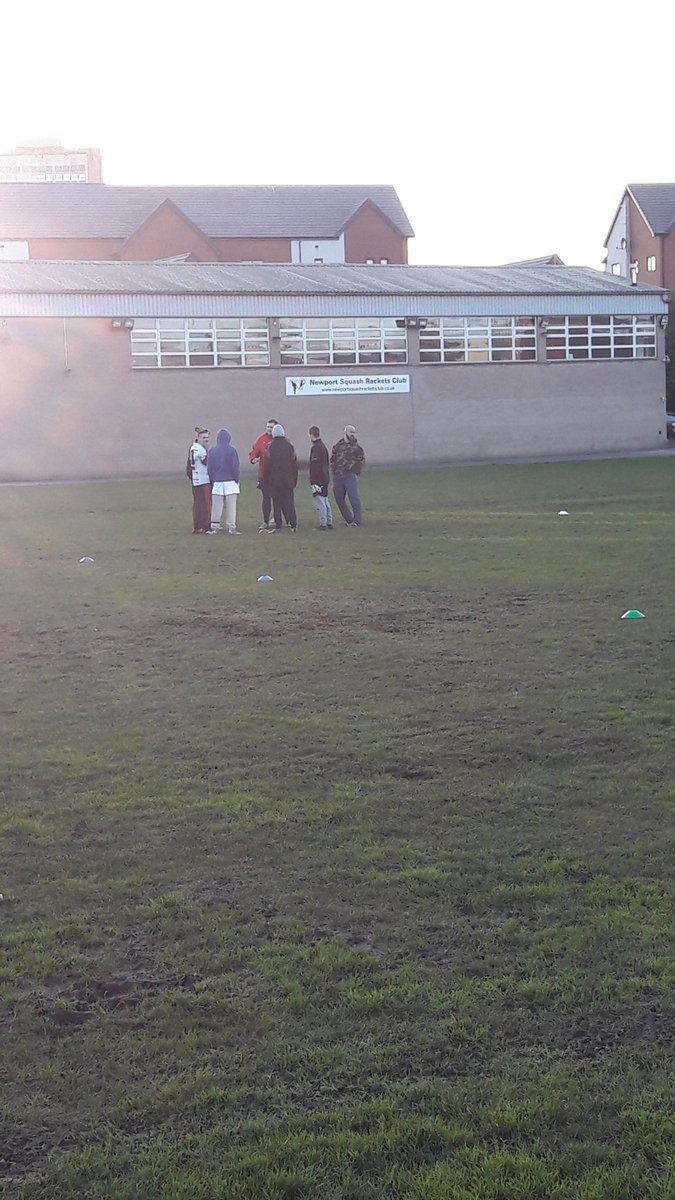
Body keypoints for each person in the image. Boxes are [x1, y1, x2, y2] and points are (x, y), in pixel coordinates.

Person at [207, 429, 241, 534]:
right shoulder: (232, 451)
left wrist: (213, 479)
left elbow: (210, 468)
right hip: (230, 481)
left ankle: (214, 527)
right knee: (231, 505)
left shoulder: (212, 451)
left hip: (217, 480)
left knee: (217, 505)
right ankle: (231, 527)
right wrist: (236, 479)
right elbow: (235, 467)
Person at [264, 424, 298, 532]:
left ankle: (278, 525)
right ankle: (293, 525)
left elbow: (267, 465)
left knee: (276, 503)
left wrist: (266, 480)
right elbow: (294, 464)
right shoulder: (289, 446)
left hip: (275, 481)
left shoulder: (270, 446)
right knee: (290, 503)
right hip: (288, 480)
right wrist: (294, 480)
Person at [330, 424, 365, 526]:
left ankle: (357, 520)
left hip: (350, 476)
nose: (353, 434)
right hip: (338, 476)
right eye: (351, 432)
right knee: (339, 499)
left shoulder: (357, 448)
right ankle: (349, 519)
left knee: (354, 497)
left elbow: (361, 461)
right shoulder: (337, 446)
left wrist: (355, 472)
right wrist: (334, 472)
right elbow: (332, 460)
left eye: (354, 432)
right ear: (345, 433)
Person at [249, 417, 277, 533]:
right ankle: (266, 521)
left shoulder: (281, 440)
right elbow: (254, 452)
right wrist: (253, 459)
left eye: (271, 427)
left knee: (278, 498)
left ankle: (277, 520)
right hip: (264, 476)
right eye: (268, 427)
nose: (269, 429)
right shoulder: (261, 439)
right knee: (266, 499)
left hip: (277, 475)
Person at [186, 426, 211, 534]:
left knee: (198, 503)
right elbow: (207, 462)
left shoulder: (193, 448)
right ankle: (204, 526)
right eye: (204, 437)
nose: (206, 440)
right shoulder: (200, 449)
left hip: (196, 480)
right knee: (204, 504)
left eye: (207, 438)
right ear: (199, 437)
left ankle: (198, 526)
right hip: (202, 480)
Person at [308, 425, 333, 530]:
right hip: (325, 477)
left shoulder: (316, 448)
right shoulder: (323, 447)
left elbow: (315, 466)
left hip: (319, 479)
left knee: (320, 502)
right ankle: (329, 521)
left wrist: (314, 481)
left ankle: (323, 524)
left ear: (311, 435)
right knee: (326, 500)